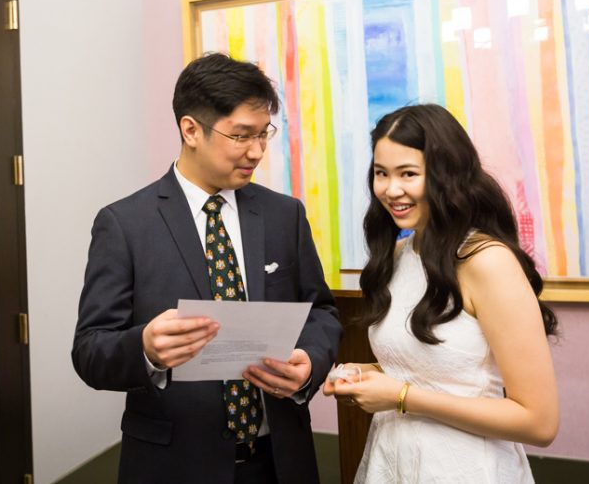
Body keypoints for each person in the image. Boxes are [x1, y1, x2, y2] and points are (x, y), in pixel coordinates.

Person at [72, 52, 342, 484]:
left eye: (264, 134)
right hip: (174, 465)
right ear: (191, 129)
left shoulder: (283, 215)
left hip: (279, 460)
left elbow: (321, 313)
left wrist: (310, 361)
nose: (256, 151)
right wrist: (144, 348)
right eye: (241, 136)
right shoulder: (124, 224)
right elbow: (90, 350)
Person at [324, 103, 559, 483]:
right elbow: (435, 369)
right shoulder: (398, 256)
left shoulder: (486, 261)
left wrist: (399, 396)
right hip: (393, 462)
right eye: (381, 174)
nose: (390, 189)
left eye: (408, 174)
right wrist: (367, 374)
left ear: (447, 176)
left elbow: (539, 422)